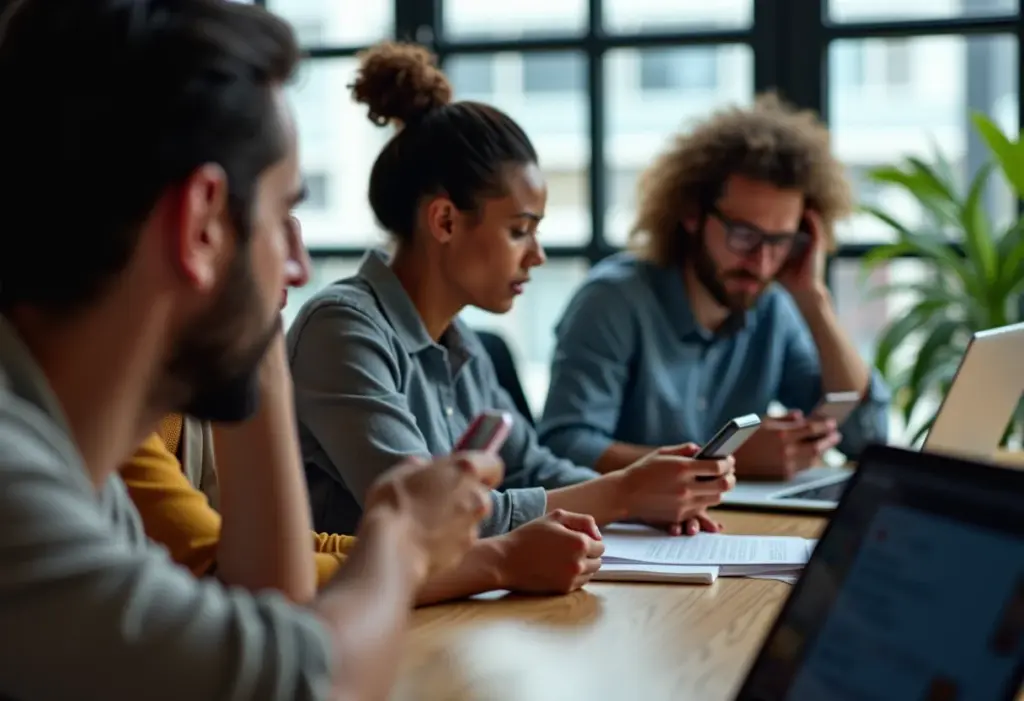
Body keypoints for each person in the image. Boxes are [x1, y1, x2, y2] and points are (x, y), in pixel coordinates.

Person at [0, 2, 501, 699]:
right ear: (202, 224)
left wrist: (256, 344)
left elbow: (273, 630)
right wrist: (403, 536)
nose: (297, 266)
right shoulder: (13, 481)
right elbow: (302, 685)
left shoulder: (80, 477)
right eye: (278, 218)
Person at [287, 41, 736, 543]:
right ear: (445, 220)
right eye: (520, 230)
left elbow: (532, 467)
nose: (537, 255)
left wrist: (647, 496)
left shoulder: (463, 345)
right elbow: (429, 515)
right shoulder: (342, 330)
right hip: (369, 614)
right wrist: (622, 494)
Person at [536, 94, 891, 481]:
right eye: (743, 234)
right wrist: (721, 459)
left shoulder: (774, 307)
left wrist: (815, 301)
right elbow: (565, 446)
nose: (761, 262)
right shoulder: (612, 302)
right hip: (623, 533)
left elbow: (865, 436)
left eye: (780, 241)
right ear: (692, 215)